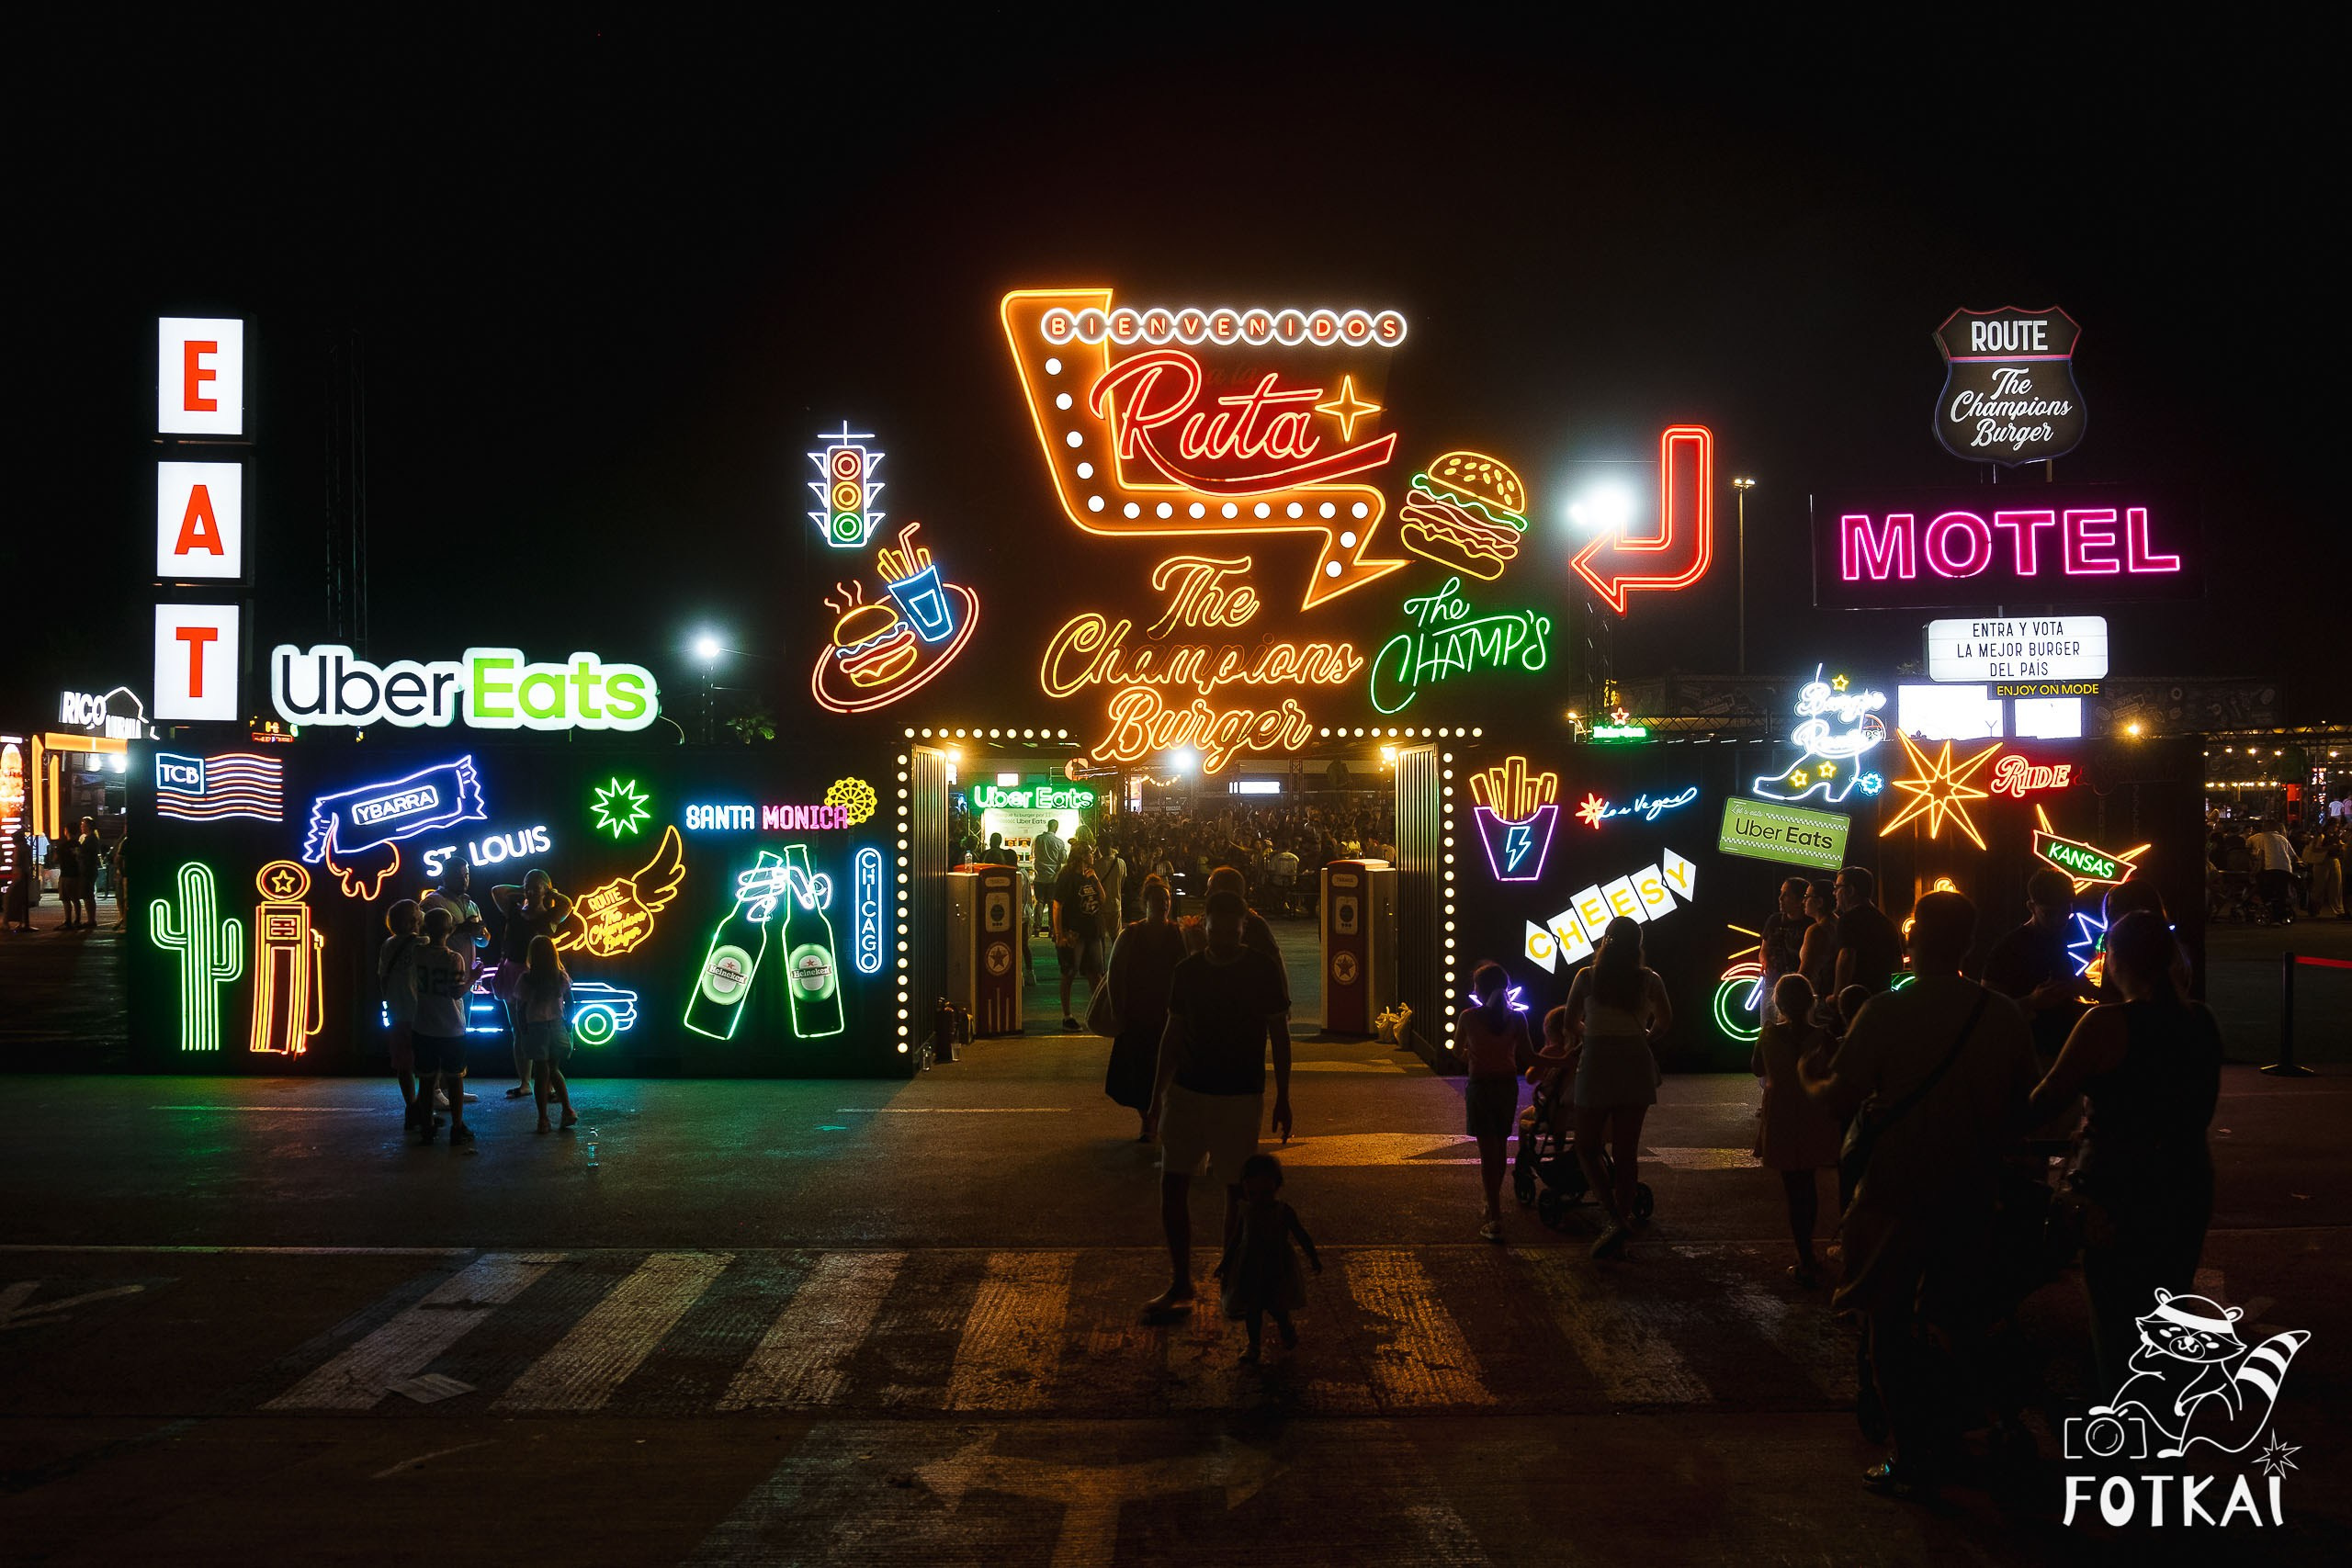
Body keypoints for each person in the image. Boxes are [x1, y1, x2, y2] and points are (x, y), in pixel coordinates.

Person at [1800, 889, 2036, 1499]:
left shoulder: (1884, 1011)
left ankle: (1911, 1451)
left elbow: (1839, 1095)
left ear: (1913, 941)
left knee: (1887, 1322)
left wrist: (1807, 1071)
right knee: (1964, 1321)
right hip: (1971, 1190)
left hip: (1895, 1189)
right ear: (1969, 943)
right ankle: (1998, 1424)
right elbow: (2024, 1104)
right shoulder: (2001, 1012)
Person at [2027, 910, 2223, 1390]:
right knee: (2168, 1304)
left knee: (2115, 1319)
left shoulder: (2103, 1024)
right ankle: (2162, 1425)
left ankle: (2125, 1429)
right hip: (2185, 1178)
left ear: (2116, 960)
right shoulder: (2200, 1019)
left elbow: (2046, 1099)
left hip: (2116, 1189)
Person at [1144, 889, 1293, 1318]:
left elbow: (1279, 1038)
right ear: (1204, 925)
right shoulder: (1187, 972)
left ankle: (1229, 1277)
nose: (1225, 936)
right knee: (1174, 1184)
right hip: (1189, 1091)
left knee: (1236, 1191)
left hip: (1241, 1095)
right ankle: (1181, 1280)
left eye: (1233, 929)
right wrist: (1156, 1097)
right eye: (1217, 928)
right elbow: (1172, 1038)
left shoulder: (1261, 969)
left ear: (1244, 928)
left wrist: (1284, 1095)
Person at [1561, 916, 1672, 1259]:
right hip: (1635, 1062)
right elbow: (1666, 1021)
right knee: (1627, 1151)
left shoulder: (1587, 977)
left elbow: (1569, 1022)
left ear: (1605, 942)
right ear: (1637, 945)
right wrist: (1643, 1036)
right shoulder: (1649, 979)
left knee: (1587, 1144)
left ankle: (1612, 1216)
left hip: (1597, 1062)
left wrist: (1592, 1032)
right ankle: (1621, 1218)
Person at [1753, 974, 1842, 1287]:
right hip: (1813, 1114)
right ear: (1811, 1001)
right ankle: (1811, 1254)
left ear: (1778, 1003)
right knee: (1810, 1184)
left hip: (1781, 1115)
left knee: (1794, 1189)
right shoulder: (1824, 1038)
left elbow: (1757, 1068)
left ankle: (1804, 1255)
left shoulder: (1768, 1034)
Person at [1103, 874, 1186, 1139]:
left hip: (1168, 1015)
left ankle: (1154, 1120)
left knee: (1168, 1072)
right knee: (1139, 1074)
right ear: (1145, 903)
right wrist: (1118, 1010)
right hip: (1138, 1015)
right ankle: (1148, 1117)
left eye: (1166, 899)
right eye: (1157, 900)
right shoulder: (1131, 934)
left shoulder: (1178, 934)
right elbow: (1115, 973)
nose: (1163, 904)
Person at [1218, 1152, 1320, 1364]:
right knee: (1252, 1310)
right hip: (1252, 1267)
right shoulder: (1246, 1211)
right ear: (1245, 1189)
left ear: (1277, 1187)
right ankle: (1254, 1345)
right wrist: (1225, 1263)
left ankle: (1286, 1329)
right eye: (1253, 1193)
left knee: (1277, 1307)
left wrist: (1313, 1256)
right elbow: (1236, 1239)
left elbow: (1300, 1234)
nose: (1259, 1199)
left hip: (1275, 1267)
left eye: (1265, 1193)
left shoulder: (1283, 1212)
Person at [1458, 961, 1535, 1241]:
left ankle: (1494, 1214)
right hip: (1506, 1087)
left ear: (1479, 989)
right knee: (1500, 1149)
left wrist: (1473, 1053)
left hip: (1480, 1088)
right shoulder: (1517, 1019)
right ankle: (1493, 1205)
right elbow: (1530, 1056)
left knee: (1485, 1152)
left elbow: (1458, 1052)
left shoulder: (1468, 1017)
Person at [1984, 867, 2086, 1064]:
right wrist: (2031, 1001)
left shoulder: (2056, 940)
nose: (2059, 920)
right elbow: (1988, 1013)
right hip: (2024, 1058)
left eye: (2065, 911)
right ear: (2031, 906)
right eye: (2049, 914)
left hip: (2054, 1053)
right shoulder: (2007, 949)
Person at [491, 869, 571, 1099]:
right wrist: (524, 888)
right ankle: (525, 1082)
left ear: (547, 889)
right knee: (519, 1029)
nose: (532, 890)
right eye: (528, 886)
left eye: (537, 886)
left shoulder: (551, 915)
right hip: (513, 972)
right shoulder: (514, 912)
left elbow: (567, 903)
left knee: (545, 1026)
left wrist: (549, 892)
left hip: (542, 975)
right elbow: (497, 891)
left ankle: (549, 1083)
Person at [411, 907, 474, 1145]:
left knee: (427, 1082)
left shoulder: (417, 954)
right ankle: (457, 1127)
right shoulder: (453, 958)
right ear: (450, 930)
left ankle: (427, 1126)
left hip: (423, 1025)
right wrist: (474, 977)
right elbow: (457, 992)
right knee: (455, 1080)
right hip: (451, 1029)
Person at [518, 934, 579, 1134]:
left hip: (536, 1027)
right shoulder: (561, 977)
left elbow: (520, 1006)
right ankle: (567, 1110)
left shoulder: (527, 978)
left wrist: (522, 1029)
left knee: (540, 1073)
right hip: (556, 1026)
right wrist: (568, 1025)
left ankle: (543, 1119)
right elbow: (570, 1002)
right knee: (554, 1070)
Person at [379, 899, 426, 1134]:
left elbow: (382, 978)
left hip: (397, 1012)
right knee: (428, 1065)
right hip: (420, 1012)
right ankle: (423, 1112)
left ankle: (412, 1108)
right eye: (419, 912)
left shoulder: (388, 945)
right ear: (413, 921)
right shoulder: (423, 943)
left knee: (403, 1065)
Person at [1052, 841, 1109, 1032]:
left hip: (1093, 930)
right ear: (1082, 856)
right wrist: (1059, 933)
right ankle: (1067, 1016)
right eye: (1091, 853)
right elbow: (1057, 905)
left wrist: (1097, 880)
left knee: (1096, 973)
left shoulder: (1090, 875)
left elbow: (1102, 899)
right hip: (1074, 932)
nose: (1094, 856)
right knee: (1069, 971)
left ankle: (1098, 1013)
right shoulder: (1067, 877)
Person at [1833, 864, 1905, 997]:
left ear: (1851, 890)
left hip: (1852, 998)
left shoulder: (1848, 919)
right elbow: (1898, 963)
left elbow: (1847, 957)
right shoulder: (1885, 922)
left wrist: (1837, 995)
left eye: (1837, 887)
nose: (1834, 893)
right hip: (1879, 996)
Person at [1758, 876, 1811, 1018]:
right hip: (1772, 978)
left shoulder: (1810, 924)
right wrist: (1765, 961)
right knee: (1769, 1022)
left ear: (1800, 900)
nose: (1780, 898)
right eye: (1781, 893)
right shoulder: (1774, 920)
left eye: (1786, 894)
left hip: (1797, 982)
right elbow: (1763, 950)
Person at [1796, 879, 1838, 1010]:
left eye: (1807, 897)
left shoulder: (1816, 930)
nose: (1803, 902)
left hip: (1819, 999)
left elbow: (1806, 973)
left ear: (1819, 902)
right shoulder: (1838, 923)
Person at [2246, 819, 2299, 921]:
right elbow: (2294, 856)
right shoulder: (2282, 838)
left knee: (2263, 886)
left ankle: (2265, 903)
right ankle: (2280, 917)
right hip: (2286, 869)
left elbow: (2262, 855)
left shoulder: (2263, 837)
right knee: (2281, 893)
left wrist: (2255, 870)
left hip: (2271, 868)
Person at [1032, 818, 1069, 924]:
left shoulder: (1038, 839)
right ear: (1056, 828)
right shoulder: (1059, 842)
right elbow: (1063, 859)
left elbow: (1033, 854)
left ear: (1048, 826)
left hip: (1039, 876)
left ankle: (1037, 927)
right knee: (1052, 903)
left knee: (1039, 902)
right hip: (1053, 878)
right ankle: (1052, 928)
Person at [50, 828, 84, 931]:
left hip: (65, 874)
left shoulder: (62, 846)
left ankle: (68, 920)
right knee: (76, 899)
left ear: (66, 831)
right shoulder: (79, 845)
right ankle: (77, 920)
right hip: (76, 874)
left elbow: (55, 859)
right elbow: (81, 858)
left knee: (65, 899)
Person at [77, 818, 107, 929]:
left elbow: (87, 855)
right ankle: (90, 919)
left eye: (83, 825)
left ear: (88, 826)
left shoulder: (90, 839)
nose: (81, 827)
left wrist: (78, 853)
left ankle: (91, 919)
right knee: (87, 895)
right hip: (88, 869)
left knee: (88, 895)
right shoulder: (91, 838)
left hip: (88, 869)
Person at [5, 826, 34, 933]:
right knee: (23, 900)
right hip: (26, 874)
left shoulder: (18, 847)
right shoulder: (27, 847)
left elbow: (17, 862)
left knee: (10, 897)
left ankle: (6, 922)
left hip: (18, 874)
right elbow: (30, 862)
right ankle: (22, 922)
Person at [108, 829, 130, 930]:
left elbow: (118, 858)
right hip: (124, 874)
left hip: (125, 874)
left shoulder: (126, 841)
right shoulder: (124, 840)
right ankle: (123, 919)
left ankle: (124, 920)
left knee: (124, 899)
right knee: (122, 898)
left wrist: (121, 872)